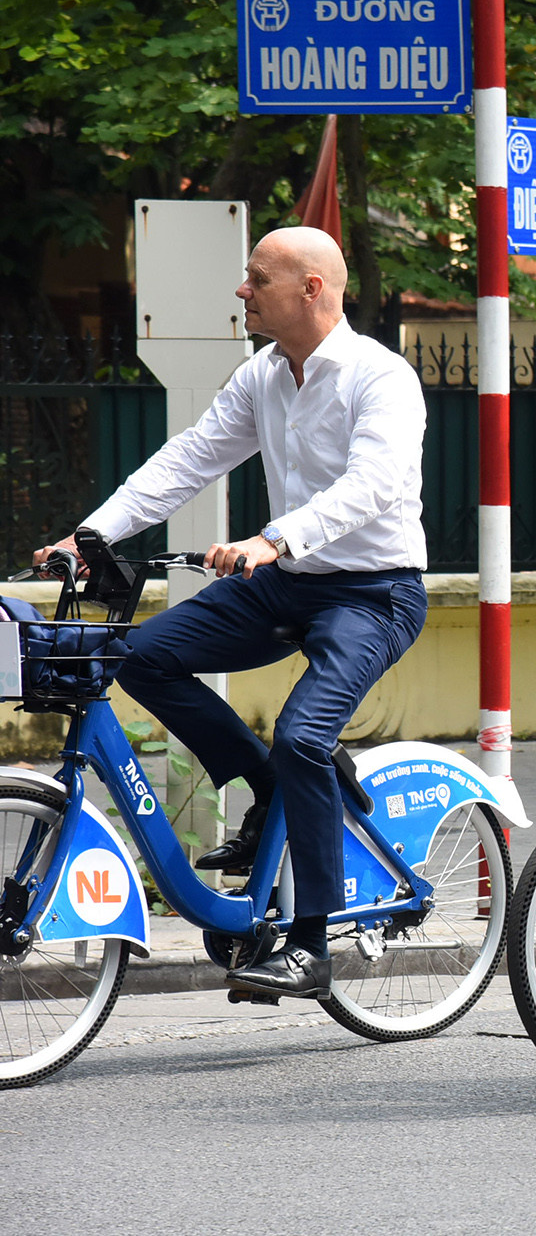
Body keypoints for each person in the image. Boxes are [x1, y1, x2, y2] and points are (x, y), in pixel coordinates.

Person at [35, 227, 428, 1000]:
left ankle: (311, 944)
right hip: (285, 582)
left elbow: (374, 486)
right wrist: (93, 536)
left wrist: (274, 538)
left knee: (304, 735)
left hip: (374, 591)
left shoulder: (381, 377)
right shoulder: (264, 375)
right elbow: (190, 457)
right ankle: (266, 787)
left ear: (311, 288)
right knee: (143, 657)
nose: (242, 292)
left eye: (257, 278)